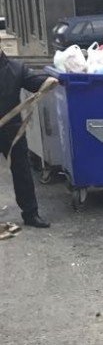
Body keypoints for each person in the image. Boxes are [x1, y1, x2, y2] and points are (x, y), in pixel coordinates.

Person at [0, 51, 51, 228]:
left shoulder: (16, 68)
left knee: (22, 171)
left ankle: (31, 214)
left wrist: (52, 80)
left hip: (12, 129)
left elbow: (35, 82)